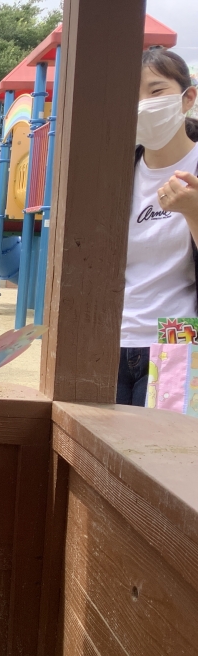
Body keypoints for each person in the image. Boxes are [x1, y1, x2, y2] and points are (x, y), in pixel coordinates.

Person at [119, 47, 198, 406]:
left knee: (161, 440)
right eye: (132, 97)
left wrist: (193, 211)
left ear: (187, 97)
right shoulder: (117, 173)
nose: (143, 105)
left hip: (179, 336)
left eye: (156, 91)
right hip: (111, 338)